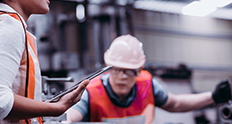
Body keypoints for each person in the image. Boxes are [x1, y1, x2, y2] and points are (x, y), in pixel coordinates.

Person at [66, 34, 232, 124]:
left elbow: (175, 103)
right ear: (108, 68)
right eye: (116, 70)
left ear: (138, 71)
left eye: (128, 71)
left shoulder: (148, 86)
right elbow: (71, 116)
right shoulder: (91, 91)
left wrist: (214, 96)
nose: (121, 76)